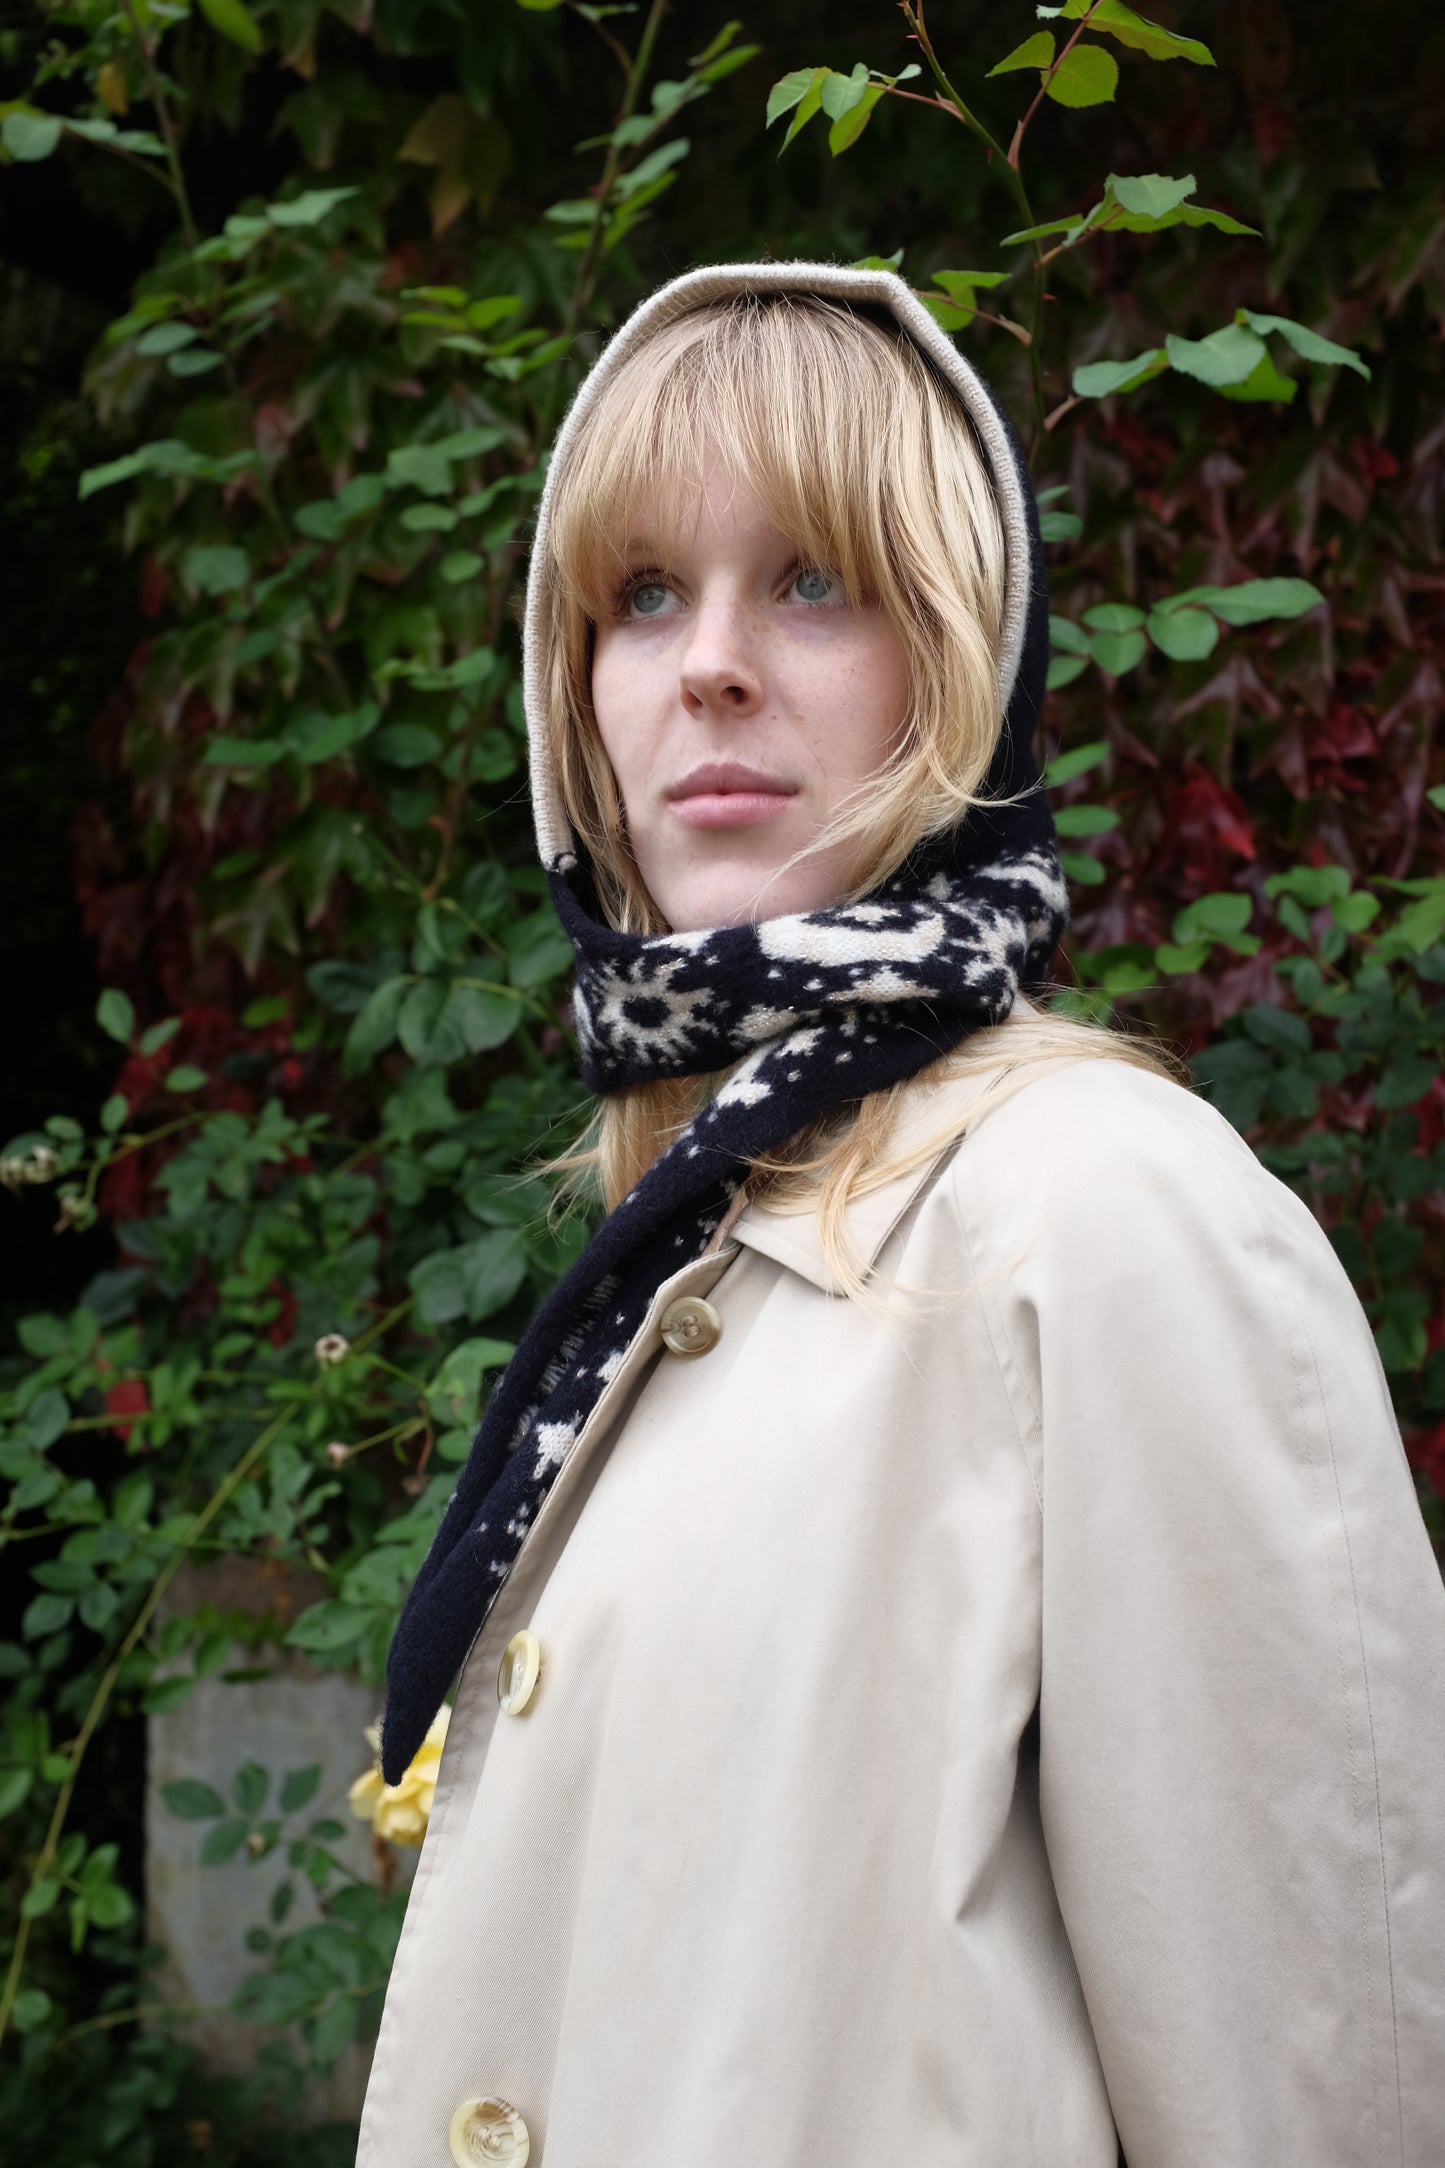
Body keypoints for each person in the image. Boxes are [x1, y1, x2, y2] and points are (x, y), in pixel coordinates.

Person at [357, 263, 1445, 2168]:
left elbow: (1315, 2066)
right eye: (637, 596)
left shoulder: (1106, 1211)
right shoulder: (684, 1243)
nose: (702, 661)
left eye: (810, 579)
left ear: (958, 658)